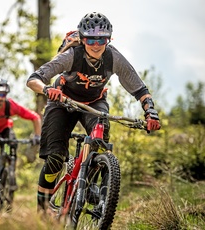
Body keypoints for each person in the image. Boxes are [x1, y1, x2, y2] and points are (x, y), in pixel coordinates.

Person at [26, 12, 161, 213]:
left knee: (101, 129)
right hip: (62, 101)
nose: (96, 44)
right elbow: (33, 79)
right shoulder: (71, 55)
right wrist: (47, 89)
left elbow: (139, 89)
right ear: (82, 38)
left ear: (108, 39)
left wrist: (150, 111)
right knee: (55, 158)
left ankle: (88, 184)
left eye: (102, 39)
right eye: (90, 39)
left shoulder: (113, 57)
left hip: (94, 102)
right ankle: (43, 207)